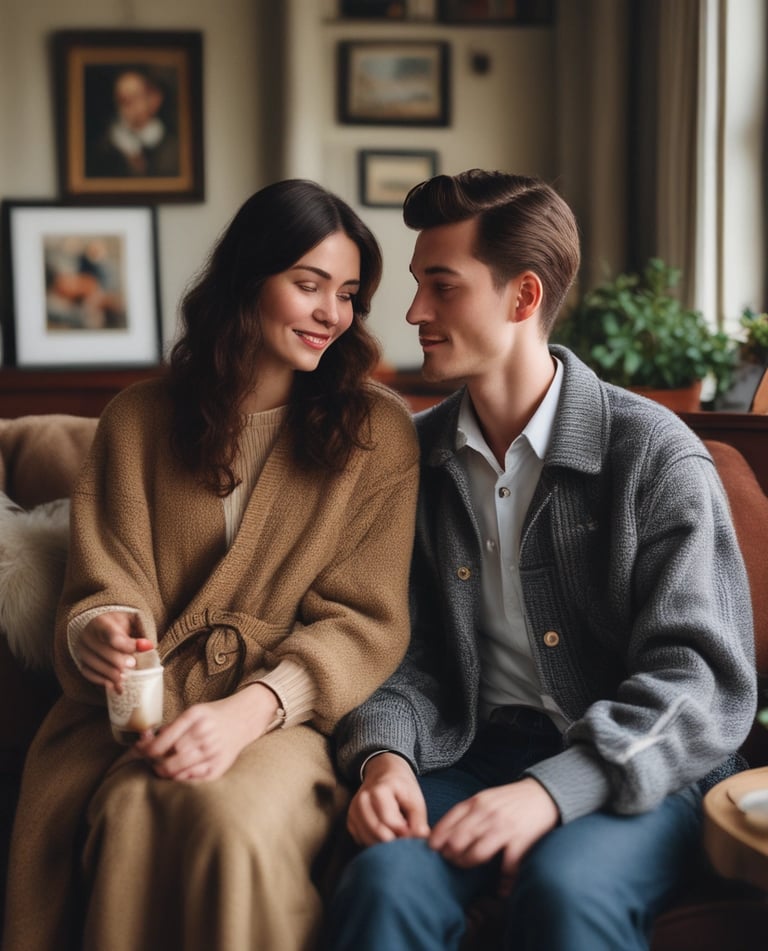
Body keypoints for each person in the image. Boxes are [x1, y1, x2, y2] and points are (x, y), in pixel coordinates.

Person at [325, 169, 757, 950]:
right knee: (383, 884)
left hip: (646, 769)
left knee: (566, 892)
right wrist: (383, 758)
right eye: (418, 284)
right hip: (470, 751)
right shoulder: (413, 458)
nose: (414, 311)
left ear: (522, 298)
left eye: (442, 286)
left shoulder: (656, 457)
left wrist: (553, 791)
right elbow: (397, 649)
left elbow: (703, 682)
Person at [2, 179, 419, 951]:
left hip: (283, 717)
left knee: (226, 822)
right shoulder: (136, 421)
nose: (334, 312)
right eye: (308, 284)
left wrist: (250, 709)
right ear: (246, 280)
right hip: (138, 718)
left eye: (350, 293)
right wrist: (97, 631)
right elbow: (104, 583)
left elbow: (365, 621)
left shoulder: (376, 434)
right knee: (132, 813)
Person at [86, 66, 179, 179]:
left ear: (154, 99)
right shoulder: (104, 148)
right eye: (123, 100)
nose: (129, 106)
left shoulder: (173, 147)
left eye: (135, 97)